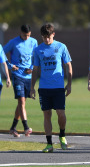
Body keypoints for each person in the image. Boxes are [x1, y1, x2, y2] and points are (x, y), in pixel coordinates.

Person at [31, 23, 72, 153]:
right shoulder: (38, 50)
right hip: (44, 88)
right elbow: (35, 70)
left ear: (53, 34)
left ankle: (62, 135)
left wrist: (69, 84)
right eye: (44, 37)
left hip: (58, 87)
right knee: (47, 114)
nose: (46, 40)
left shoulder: (61, 47)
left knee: (61, 113)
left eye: (48, 37)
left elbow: (68, 66)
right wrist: (32, 87)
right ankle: (49, 144)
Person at [4, 24, 38, 137]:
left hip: (28, 77)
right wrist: (10, 65)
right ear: (20, 32)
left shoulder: (34, 42)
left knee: (21, 104)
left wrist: (32, 68)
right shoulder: (13, 42)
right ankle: (26, 127)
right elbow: (1, 53)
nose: (26, 37)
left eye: (28, 35)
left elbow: (36, 57)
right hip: (17, 75)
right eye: (24, 35)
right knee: (21, 102)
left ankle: (13, 128)